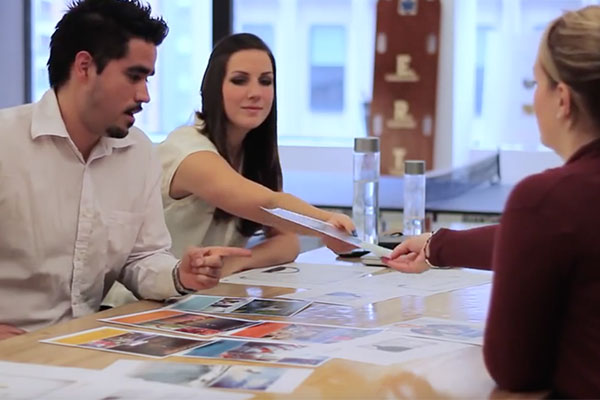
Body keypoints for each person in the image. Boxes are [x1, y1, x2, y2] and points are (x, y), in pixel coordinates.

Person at [0, 0, 250, 340]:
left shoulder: (138, 152)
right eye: (134, 76)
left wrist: (180, 275)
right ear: (85, 66)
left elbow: (142, 258)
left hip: (85, 344)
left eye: (147, 78)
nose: (145, 95)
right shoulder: (6, 144)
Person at [383, 6, 600, 397]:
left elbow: (514, 368)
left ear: (562, 99)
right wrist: (438, 246)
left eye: (536, 82)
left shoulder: (547, 199)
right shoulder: (557, 208)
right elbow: (549, 236)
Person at [157, 33, 355, 276]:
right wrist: (326, 223)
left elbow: (287, 242)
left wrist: (238, 262)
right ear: (213, 88)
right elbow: (267, 205)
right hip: (140, 300)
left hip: (196, 298)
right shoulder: (187, 148)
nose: (256, 93)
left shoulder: (252, 154)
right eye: (240, 80)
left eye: (265, 81)